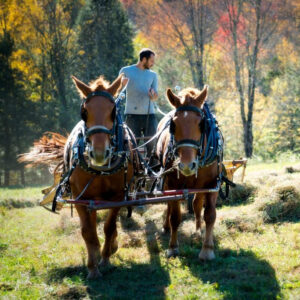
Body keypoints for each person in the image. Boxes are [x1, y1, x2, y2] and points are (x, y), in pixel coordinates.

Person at [119, 48, 158, 158]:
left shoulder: (153, 75)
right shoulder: (125, 71)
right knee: (131, 145)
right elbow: (116, 91)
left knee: (152, 144)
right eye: (151, 61)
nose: (153, 63)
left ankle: (153, 170)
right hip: (132, 115)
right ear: (144, 59)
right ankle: (134, 169)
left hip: (149, 115)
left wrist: (153, 95)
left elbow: (155, 97)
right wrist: (121, 84)